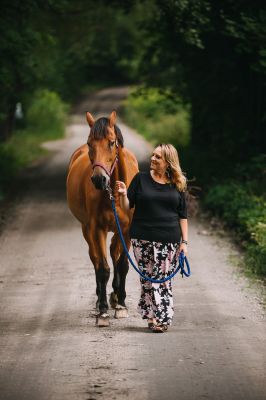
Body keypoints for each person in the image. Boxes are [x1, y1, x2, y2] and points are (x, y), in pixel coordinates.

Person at [115, 143, 188, 333]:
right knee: (147, 278)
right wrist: (123, 194)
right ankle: (151, 316)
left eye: (158, 157)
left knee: (162, 278)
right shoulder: (140, 179)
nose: (152, 159)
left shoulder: (177, 184)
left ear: (168, 162)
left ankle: (163, 318)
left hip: (169, 239)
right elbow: (126, 207)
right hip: (142, 238)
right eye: (153, 155)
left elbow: (183, 216)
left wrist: (185, 243)